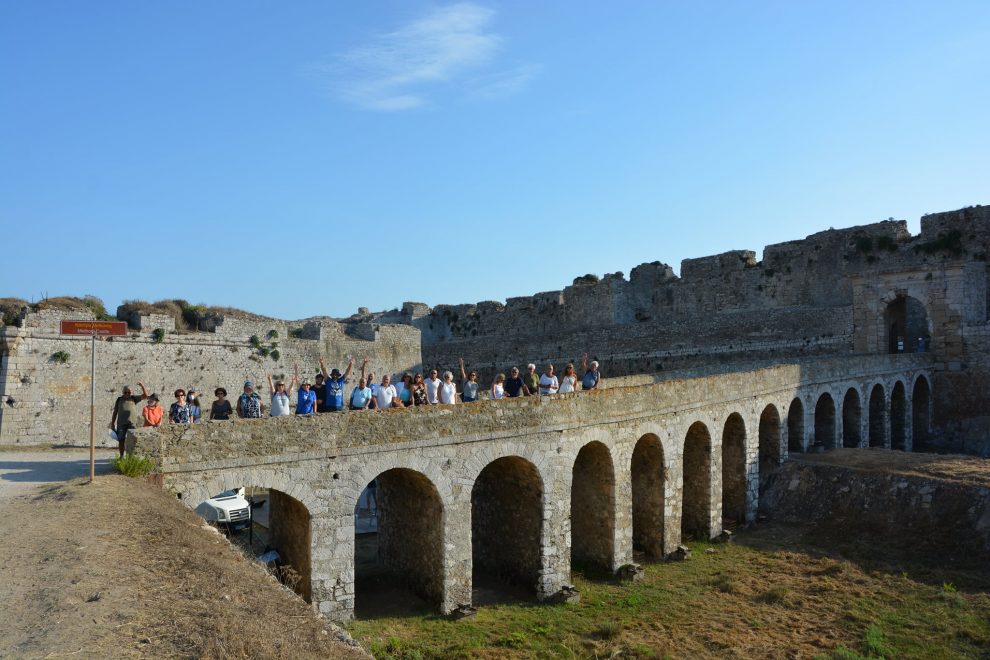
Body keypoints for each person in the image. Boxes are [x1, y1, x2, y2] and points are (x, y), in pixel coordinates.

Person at [110, 382, 148, 458]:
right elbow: (115, 412)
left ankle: (132, 457)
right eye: (125, 392)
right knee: (121, 440)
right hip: (121, 424)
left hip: (132, 423)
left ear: (132, 392)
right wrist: (112, 423)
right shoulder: (119, 400)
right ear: (122, 392)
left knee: (133, 440)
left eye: (129, 392)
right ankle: (121, 456)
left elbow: (145, 396)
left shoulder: (134, 398)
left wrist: (142, 386)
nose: (127, 393)